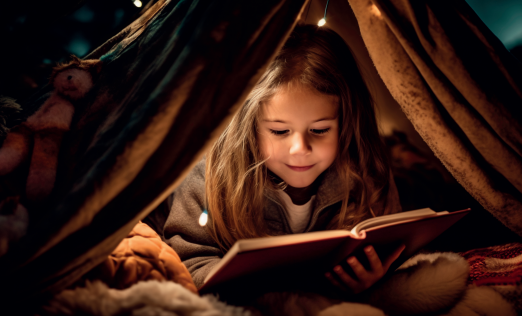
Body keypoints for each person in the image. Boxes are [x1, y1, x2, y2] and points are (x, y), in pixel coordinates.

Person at [144, 24, 403, 298]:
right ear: (249, 126)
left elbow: (391, 247)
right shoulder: (207, 175)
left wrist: (371, 281)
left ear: (348, 124)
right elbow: (188, 262)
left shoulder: (367, 173)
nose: (300, 148)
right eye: (279, 131)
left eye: (320, 130)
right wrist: (241, 286)